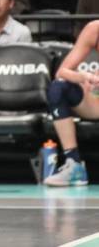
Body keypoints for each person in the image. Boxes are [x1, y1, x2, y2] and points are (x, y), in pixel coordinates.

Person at [43, 20, 99, 186]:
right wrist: (86, 77)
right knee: (58, 87)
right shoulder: (94, 29)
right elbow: (62, 71)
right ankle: (74, 165)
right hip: (95, 101)